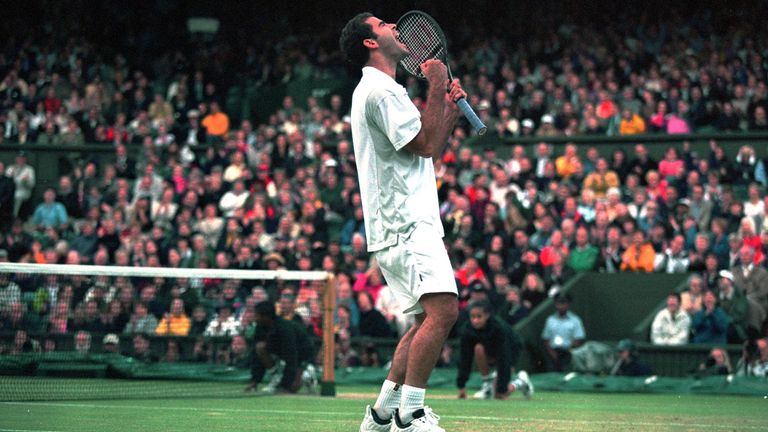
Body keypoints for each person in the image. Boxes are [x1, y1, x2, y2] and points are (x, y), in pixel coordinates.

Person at [341, 12, 466, 432]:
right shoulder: (379, 92)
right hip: (406, 222)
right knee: (444, 310)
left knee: (422, 322)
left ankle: (378, 416)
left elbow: (427, 141)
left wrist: (446, 108)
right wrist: (434, 84)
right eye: (382, 25)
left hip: (402, 222)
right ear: (370, 44)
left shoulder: (382, 91)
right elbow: (427, 145)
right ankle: (410, 415)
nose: (395, 26)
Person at [456, 300, 531, 401]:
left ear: (487, 315)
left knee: (499, 395)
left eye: (479, 316)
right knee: (478, 348)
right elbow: (465, 358)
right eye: (472, 317)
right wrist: (461, 386)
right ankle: (487, 385)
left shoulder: (499, 329)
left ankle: (521, 381)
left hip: (511, 350)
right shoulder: (467, 330)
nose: (475, 321)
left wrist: (502, 389)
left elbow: (504, 359)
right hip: (489, 350)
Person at [245, 300, 315, 394]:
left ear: (265, 316)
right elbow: (256, 355)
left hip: (302, 354)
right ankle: (277, 377)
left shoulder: (284, 329)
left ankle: (307, 375)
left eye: (257, 315)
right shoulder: (260, 327)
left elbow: (292, 358)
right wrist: (254, 381)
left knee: (292, 388)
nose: (255, 318)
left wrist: (285, 386)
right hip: (281, 353)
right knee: (260, 347)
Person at [541, 293, 586, 372]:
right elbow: (546, 339)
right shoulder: (550, 320)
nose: (560, 306)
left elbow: (578, 339)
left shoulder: (575, 320)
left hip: (570, 354)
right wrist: (552, 353)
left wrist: (569, 351)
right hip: (553, 354)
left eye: (563, 303)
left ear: (568, 305)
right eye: (558, 303)